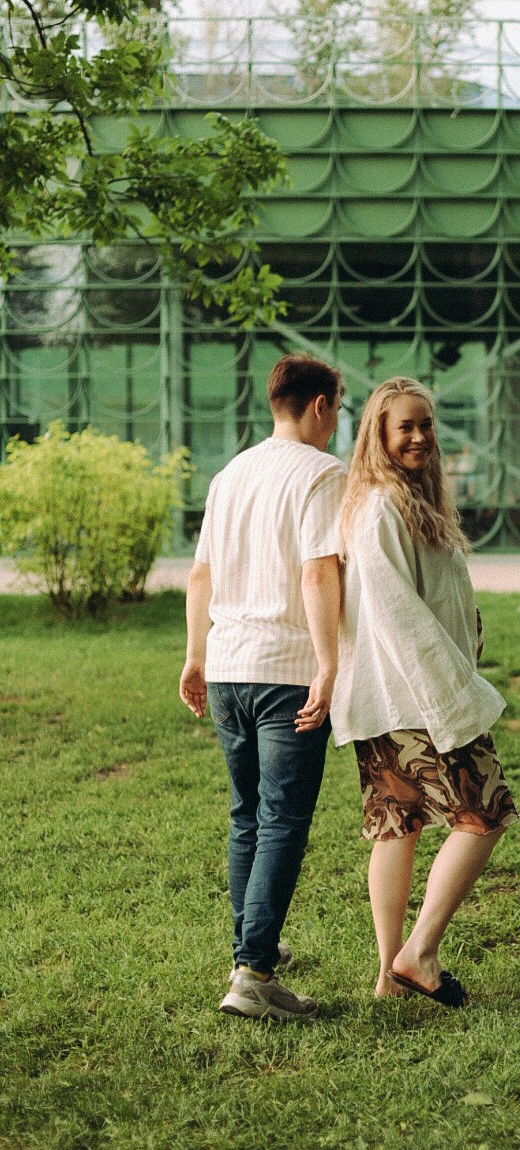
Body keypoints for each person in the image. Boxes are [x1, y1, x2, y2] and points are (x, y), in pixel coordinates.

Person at [311, 377, 517, 1008]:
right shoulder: (379, 508)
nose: (420, 436)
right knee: (485, 813)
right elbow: (399, 617)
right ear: (379, 432)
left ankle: (386, 977)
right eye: (406, 426)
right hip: (416, 699)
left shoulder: (405, 500)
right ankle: (417, 954)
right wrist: (453, 695)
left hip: (385, 699)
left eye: (426, 423)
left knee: (395, 826)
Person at [179, 353, 345, 1022]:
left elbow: (200, 576)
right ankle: (252, 972)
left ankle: (252, 954)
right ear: (319, 406)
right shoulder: (321, 473)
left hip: (225, 667)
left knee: (246, 814)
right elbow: (316, 572)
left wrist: (194, 658)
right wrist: (329, 664)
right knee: (281, 819)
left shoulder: (230, 473)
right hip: (286, 671)